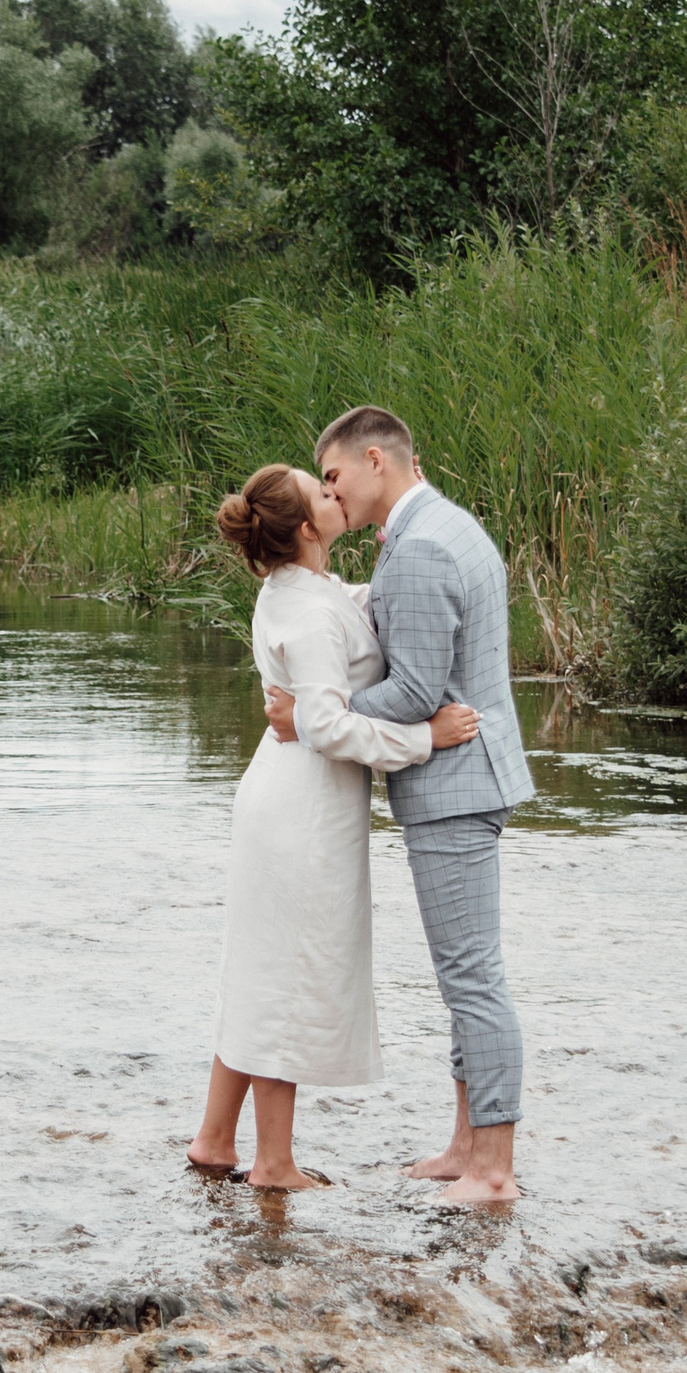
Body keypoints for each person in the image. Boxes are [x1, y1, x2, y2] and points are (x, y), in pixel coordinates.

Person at [265, 406, 536, 1203]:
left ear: (376, 460)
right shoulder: (448, 525)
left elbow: (418, 689)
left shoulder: (417, 550)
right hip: (473, 777)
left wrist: (316, 712)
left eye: (336, 477)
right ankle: (465, 1143)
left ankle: (492, 1166)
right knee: (466, 974)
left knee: (472, 977)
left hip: (456, 788)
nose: (332, 494)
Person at [188, 464, 482, 1191]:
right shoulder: (310, 611)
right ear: (309, 529)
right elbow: (325, 726)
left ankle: (216, 1138)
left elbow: (356, 612)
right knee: (286, 975)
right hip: (303, 811)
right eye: (321, 492)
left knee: (257, 968)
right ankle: (275, 1163)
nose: (335, 491)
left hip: (282, 796)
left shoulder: (296, 590)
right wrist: (427, 739)